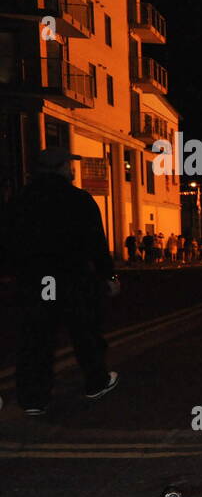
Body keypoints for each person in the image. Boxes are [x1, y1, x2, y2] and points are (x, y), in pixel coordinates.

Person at [3, 147, 119, 415]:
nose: (73, 168)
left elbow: (7, 240)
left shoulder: (19, 201)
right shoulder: (79, 200)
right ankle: (96, 382)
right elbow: (96, 242)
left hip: (35, 278)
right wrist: (108, 274)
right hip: (71, 276)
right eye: (69, 164)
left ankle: (33, 398)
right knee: (84, 331)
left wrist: (13, 271)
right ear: (62, 168)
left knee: (36, 337)